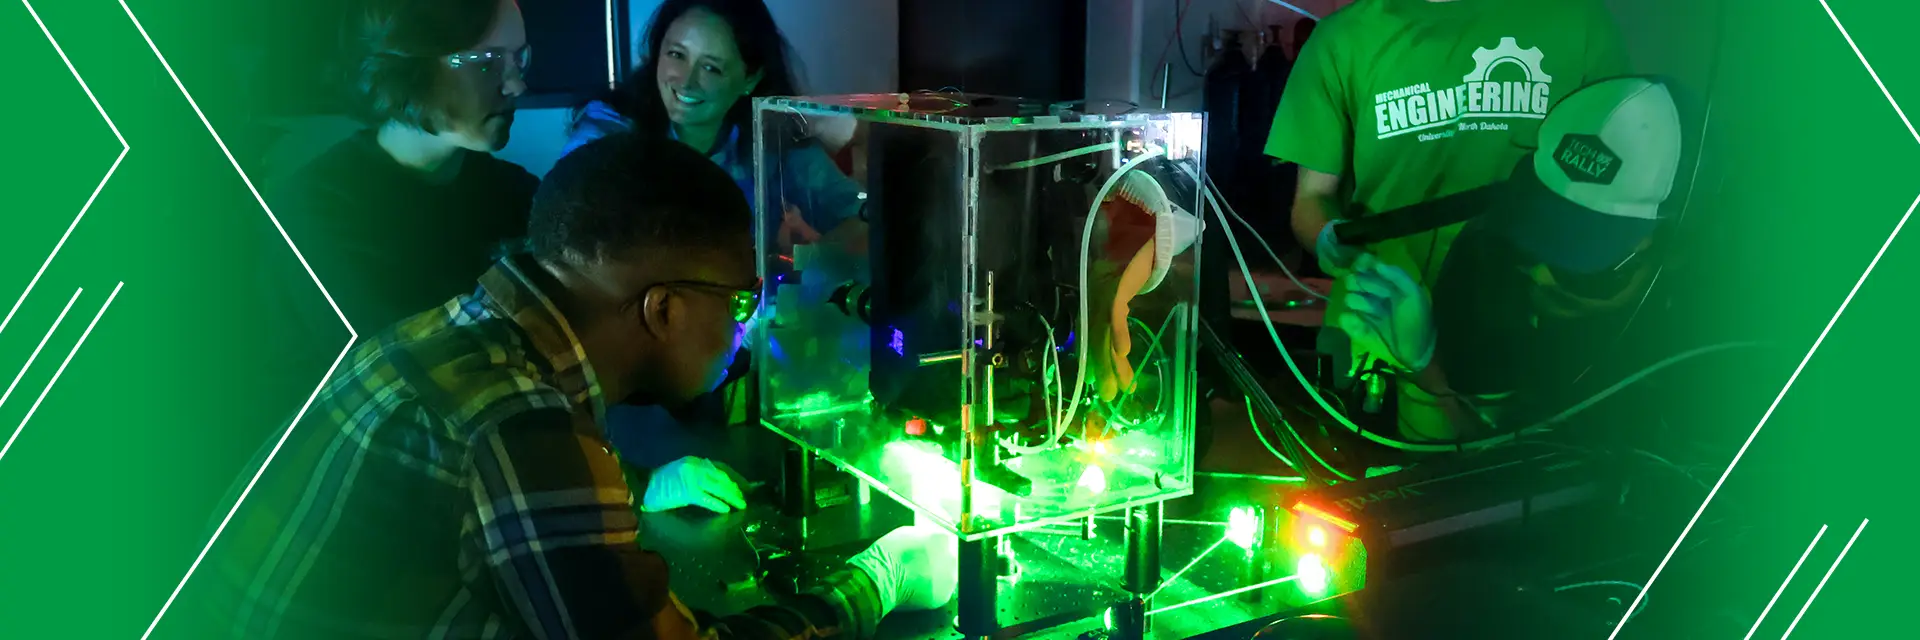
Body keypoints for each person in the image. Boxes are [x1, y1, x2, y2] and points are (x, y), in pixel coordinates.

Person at [200, 132, 956, 639]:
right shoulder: (518, 421)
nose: (745, 331)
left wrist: (635, 485)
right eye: (737, 304)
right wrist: (879, 578)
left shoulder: (448, 335)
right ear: (663, 309)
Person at [1265, 0, 1631, 441]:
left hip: (1525, 343)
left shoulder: (1580, 24)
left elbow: (1621, 196)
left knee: (1519, 475)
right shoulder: (1342, 39)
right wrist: (1331, 238)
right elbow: (1312, 199)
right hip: (1382, 339)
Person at [1336, 76, 1682, 439]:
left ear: (1676, 247)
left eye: (1578, 264)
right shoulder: (1488, 261)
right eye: (1530, 246)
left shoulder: (1699, 352)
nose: (1540, 275)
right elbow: (1474, 458)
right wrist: (1423, 366)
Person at [260, 0, 539, 343]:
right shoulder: (318, 210)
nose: (516, 85)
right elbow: (403, 358)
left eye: (519, 60)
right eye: (487, 62)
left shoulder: (519, 194)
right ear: (408, 66)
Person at [564, 0, 867, 250]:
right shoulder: (608, 127)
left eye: (711, 68)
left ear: (751, 79)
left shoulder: (774, 140)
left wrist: (812, 257)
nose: (686, 82)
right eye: (676, 55)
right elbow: (570, 223)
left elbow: (864, 216)